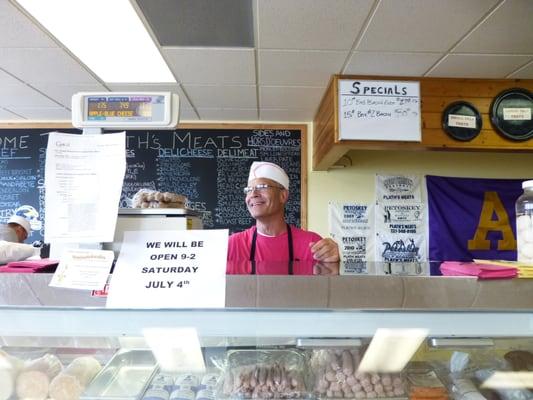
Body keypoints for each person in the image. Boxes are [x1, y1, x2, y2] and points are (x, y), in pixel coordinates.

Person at [227, 161, 339, 274]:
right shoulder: (231, 246)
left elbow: (327, 288)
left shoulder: (312, 244)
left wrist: (335, 262)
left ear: (283, 195)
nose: (253, 194)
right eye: (249, 190)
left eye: (262, 186)